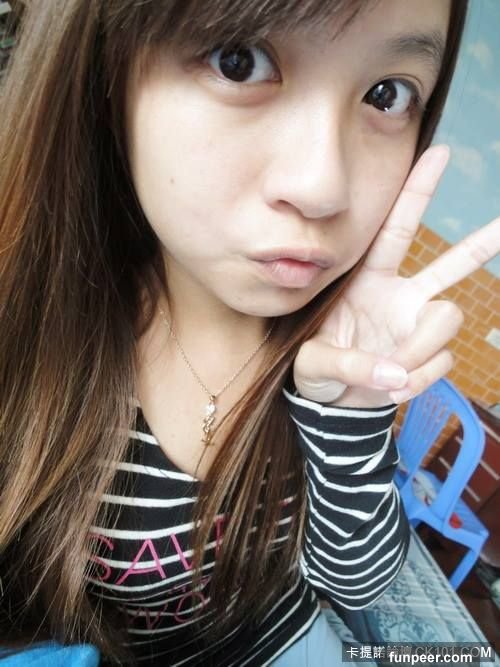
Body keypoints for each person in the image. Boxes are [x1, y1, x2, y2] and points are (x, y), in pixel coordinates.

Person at [0, 0, 498, 665]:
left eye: (387, 94)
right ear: (105, 67)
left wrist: (351, 417)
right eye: (240, 61)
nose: (323, 188)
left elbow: (356, 582)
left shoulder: (333, 355)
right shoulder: (38, 339)